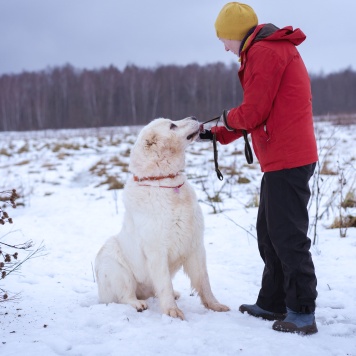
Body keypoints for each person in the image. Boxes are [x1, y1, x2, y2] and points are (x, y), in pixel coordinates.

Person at [198, 2, 319, 335]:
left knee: (287, 237)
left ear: (237, 35)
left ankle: (302, 311)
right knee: (269, 232)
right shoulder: (264, 50)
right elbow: (258, 112)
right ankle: (273, 302)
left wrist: (223, 119)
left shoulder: (265, 53)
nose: (223, 46)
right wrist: (215, 132)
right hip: (282, 157)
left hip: (289, 158)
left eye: (224, 39)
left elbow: (252, 112)